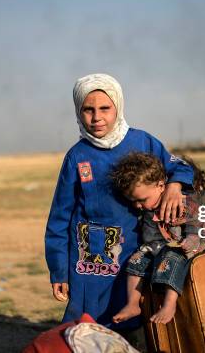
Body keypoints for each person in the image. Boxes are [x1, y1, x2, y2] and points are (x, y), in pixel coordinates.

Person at [44, 73, 195, 328]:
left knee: (134, 321)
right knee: (87, 325)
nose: (96, 117)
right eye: (88, 110)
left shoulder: (143, 141)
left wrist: (174, 185)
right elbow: (59, 218)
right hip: (89, 260)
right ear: (78, 111)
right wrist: (59, 270)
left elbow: (180, 167)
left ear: (119, 107)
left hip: (135, 249)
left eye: (105, 108)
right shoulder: (76, 157)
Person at [110, 152, 205, 324]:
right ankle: (133, 304)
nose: (137, 205)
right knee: (136, 259)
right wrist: (149, 248)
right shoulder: (150, 207)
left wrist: (192, 238)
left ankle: (169, 304)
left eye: (141, 200)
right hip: (161, 246)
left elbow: (197, 220)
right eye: (133, 201)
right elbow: (150, 234)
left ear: (161, 185)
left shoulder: (183, 200)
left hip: (191, 245)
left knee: (171, 258)